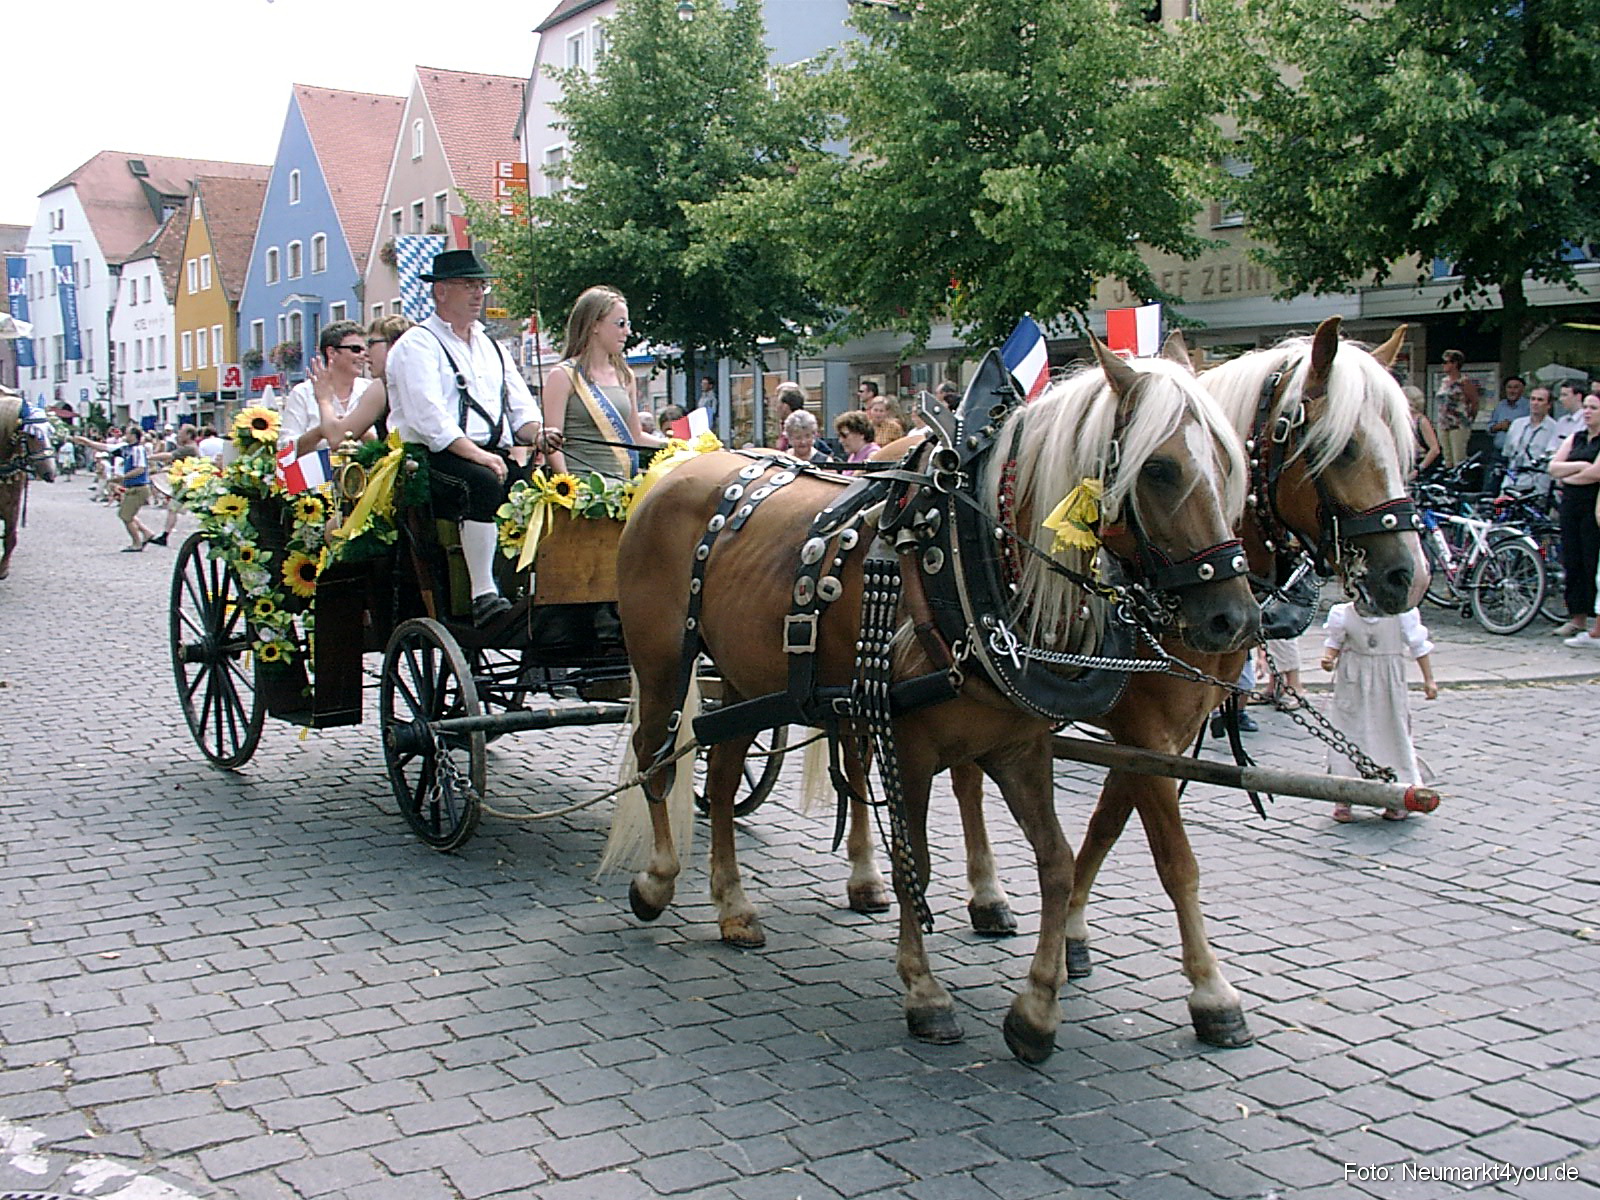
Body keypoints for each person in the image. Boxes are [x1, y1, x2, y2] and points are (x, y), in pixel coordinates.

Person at [385, 249, 549, 626]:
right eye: (468, 285)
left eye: (481, 285)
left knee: (544, 490)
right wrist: (477, 455)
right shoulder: (417, 345)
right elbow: (430, 420)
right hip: (433, 460)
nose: (479, 294)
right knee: (482, 481)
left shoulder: (492, 347)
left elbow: (520, 409)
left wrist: (541, 434)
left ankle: (536, 589)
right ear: (440, 291)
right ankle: (482, 594)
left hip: (489, 454)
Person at [1320, 602, 1438, 822]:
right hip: (1353, 681)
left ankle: (1396, 794)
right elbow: (1334, 641)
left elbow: (1419, 646)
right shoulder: (1343, 613)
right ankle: (1343, 796)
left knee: (1392, 733)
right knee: (1350, 733)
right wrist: (1329, 658)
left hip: (1388, 682)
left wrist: (1428, 680)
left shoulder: (1402, 615)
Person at [541, 285, 663, 483]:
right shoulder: (563, 376)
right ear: (594, 325)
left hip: (623, 487)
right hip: (581, 487)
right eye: (620, 324)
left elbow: (636, 437)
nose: (628, 332)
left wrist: (678, 446)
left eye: (628, 324)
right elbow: (552, 444)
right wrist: (567, 489)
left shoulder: (625, 376)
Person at [277, 321, 377, 456]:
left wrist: (357, 428)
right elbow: (285, 449)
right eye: (356, 349)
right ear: (332, 352)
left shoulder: (371, 389)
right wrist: (323, 430)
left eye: (365, 350)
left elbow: (386, 445)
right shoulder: (303, 393)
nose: (363, 355)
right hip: (317, 473)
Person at [1548, 393, 1600, 640]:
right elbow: (1553, 467)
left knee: (1591, 559)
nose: (1588, 412)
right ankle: (1576, 616)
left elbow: (1596, 473)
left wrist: (1569, 474)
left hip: (1593, 505)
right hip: (1570, 504)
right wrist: (1579, 468)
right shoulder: (1576, 437)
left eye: (1594, 408)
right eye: (1586, 407)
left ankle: (1594, 617)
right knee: (1572, 560)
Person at [72, 425, 156, 550]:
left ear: (133, 436)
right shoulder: (125, 448)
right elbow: (104, 447)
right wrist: (86, 441)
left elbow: (140, 469)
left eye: (127, 434)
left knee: (125, 516)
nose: (124, 436)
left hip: (138, 486)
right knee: (128, 513)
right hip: (133, 486)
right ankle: (146, 533)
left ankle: (137, 543)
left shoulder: (138, 449)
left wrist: (123, 477)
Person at [1500, 386, 1561, 500]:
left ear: (1549, 405)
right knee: (1498, 510)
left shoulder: (1555, 428)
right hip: (1511, 480)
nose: (1535, 403)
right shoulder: (1517, 424)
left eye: (1540, 400)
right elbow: (1507, 453)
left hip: (1536, 486)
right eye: (1533, 399)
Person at [1433, 349, 1481, 467]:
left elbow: (1474, 402)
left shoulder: (1464, 382)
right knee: (1447, 457)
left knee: (1458, 456)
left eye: (1446, 362)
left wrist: (1469, 419)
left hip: (1459, 424)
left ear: (1455, 364)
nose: (1443, 365)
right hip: (1443, 423)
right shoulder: (1444, 381)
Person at [1486, 375, 1528, 488]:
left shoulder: (1528, 406)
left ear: (1522, 389)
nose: (1512, 391)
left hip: (1517, 455)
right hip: (1498, 454)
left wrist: (1512, 427)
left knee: (1512, 488)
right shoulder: (1500, 406)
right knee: (1490, 486)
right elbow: (1489, 427)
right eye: (1509, 387)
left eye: (1516, 387)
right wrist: (1498, 426)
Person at [1403, 386, 1441, 477]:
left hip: (1419, 464)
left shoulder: (1422, 421)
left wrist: (1419, 468)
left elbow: (1434, 449)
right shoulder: (1401, 420)